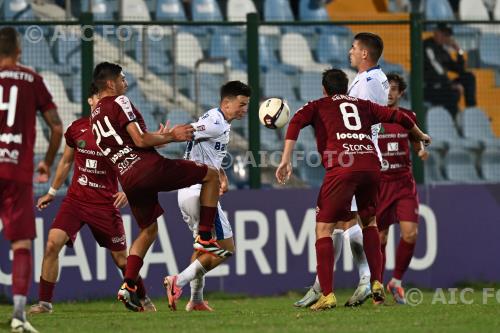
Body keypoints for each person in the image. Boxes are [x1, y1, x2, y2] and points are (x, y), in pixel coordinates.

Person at [276, 68, 431, 310]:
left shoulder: (318, 104)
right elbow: (398, 118)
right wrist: (420, 134)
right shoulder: (364, 104)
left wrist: (285, 159)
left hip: (343, 167)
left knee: (324, 229)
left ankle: (327, 294)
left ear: (324, 89)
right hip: (371, 165)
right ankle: (377, 281)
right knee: (369, 223)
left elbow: (295, 123)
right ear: (346, 87)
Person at [89, 62, 230, 312]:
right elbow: (140, 139)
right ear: (110, 83)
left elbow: (132, 143)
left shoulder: (94, 116)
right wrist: (172, 136)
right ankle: (206, 238)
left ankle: (129, 285)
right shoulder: (119, 101)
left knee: (148, 231)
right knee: (210, 175)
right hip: (148, 168)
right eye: (122, 78)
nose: (125, 82)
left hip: (128, 178)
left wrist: (160, 138)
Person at [29, 84, 156, 315]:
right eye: (101, 99)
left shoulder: (118, 133)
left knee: (121, 261)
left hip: (105, 205)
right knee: (51, 243)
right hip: (75, 201)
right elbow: (66, 162)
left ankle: (145, 299)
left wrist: (128, 191)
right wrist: (51, 191)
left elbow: (136, 164)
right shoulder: (76, 129)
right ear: (91, 101)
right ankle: (45, 304)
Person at [295, 32, 389, 308]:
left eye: (353, 47)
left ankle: (360, 281)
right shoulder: (373, 79)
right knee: (343, 221)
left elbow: (363, 121)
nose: (349, 51)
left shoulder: (368, 83)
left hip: (355, 158)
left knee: (338, 222)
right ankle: (343, 283)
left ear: (364, 54)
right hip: (361, 158)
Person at [164, 81, 251, 312]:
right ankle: (178, 281)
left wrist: (221, 174)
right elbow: (191, 130)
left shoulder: (220, 121)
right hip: (201, 193)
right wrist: (165, 135)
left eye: (247, 105)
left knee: (203, 249)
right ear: (226, 103)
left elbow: (205, 152)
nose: (245, 109)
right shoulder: (215, 122)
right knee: (226, 248)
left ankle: (196, 299)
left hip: (186, 193)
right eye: (241, 104)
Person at [0, 27, 63, 333]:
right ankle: (18, 315)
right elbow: (57, 128)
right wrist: (47, 163)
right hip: (16, 171)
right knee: (21, 242)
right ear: (19, 50)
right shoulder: (32, 80)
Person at [377, 73, 428, 304]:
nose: (390, 92)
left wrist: (420, 151)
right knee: (379, 239)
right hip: (380, 185)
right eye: (387, 88)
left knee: (411, 233)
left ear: (400, 93)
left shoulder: (408, 116)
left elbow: (417, 143)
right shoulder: (372, 116)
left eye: (394, 89)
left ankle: (396, 281)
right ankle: (377, 288)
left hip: (404, 183)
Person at [423, 23, 476, 119]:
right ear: (436, 32)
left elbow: (460, 69)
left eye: (447, 35)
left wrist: (458, 50)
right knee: (452, 93)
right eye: (443, 34)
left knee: (469, 77)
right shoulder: (427, 45)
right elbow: (436, 69)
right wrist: (450, 84)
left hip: (443, 85)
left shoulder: (443, 50)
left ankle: (472, 112)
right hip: (430, 87)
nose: (445, 37)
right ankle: (452, 121)